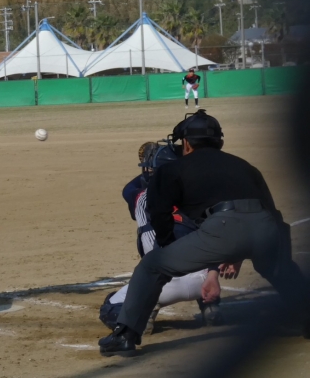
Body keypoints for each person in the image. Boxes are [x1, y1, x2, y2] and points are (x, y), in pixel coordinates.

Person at [99, 109, 310, 357]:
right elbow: (274, 215)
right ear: (220, 141)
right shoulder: (246, 167)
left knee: (152, 266)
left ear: (187, 143)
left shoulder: (173, 168)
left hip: (222, 225)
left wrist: (167, 248)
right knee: (279, 269)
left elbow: (159, 213)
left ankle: (125, 335)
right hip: (266, 227)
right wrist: (281, 258)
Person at [99, 142, 223, 334]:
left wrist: (157, 171)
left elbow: (129, 188)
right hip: (205, 282)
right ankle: (211, 307)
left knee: (110, 306)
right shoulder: (198, 195)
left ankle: (146, 313)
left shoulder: (140, 196)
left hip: (162, 284)